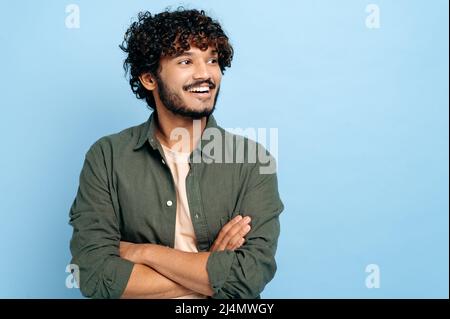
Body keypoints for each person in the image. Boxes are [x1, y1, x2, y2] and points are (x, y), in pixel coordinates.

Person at [69, 8, 284, 299]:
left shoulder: (252, 161)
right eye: (186, 61)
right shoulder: (107, 157)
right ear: (149, 78)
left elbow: (248, 278)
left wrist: (142, 252)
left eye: (212, 60)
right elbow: (95, 277)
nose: (205, 74)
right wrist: (209, 270)